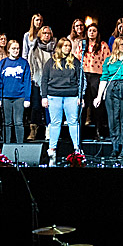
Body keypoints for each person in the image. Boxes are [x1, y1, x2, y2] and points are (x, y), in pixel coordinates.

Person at [94, 35, 123, 160]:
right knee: (113, 119)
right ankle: (115, 147)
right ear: (116, 46)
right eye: (122, 44)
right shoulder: (109, 60)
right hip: (112, 89)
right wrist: (99, 96)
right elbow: (104, 79)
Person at [41, 37, 85, 165]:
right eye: (65, 45)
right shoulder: (51, 62)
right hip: (54, 95)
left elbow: (81, 80)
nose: (67, 48)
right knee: (55, 123)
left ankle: (77, 148)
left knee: (73, 122)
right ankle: (52, 149)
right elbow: (44, 80)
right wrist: (44, 97)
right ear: (60, 47)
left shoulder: (75, 62)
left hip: (71, 96)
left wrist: (80, 96)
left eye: (69, 46)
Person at [0, 40, 31, 143]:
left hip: (19, 96)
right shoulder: (3, 62)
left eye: (18, 48)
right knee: (7, 122)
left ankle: (20, 145)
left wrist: (27, 98)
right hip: (5, 97)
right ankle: (7, 145)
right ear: (9, 49)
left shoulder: (24, 63)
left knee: (18, 122)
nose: (16, 50)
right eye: (13, 48)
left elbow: (27, 81)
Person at [81, 23, 110, 141]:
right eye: (90, 30)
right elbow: (78, 59)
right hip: (84, 75)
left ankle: (98, 131)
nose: (91, 32)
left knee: (97, 104)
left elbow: (107, 61)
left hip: (97, 76)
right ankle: (81, 131)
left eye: (94, 30)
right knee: (83, 104)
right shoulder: (83, 44)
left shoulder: (102, 45)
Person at [26, 25, 55, 141]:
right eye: (44, 33)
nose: (46, 35)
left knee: (50, 107)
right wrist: (33, 79)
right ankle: (33, 130)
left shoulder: (54, 49)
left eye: (48, 33)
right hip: (37, 82)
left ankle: (49, 130)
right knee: (36, 107)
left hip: (51, 82)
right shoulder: (34, 49)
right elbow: (30, 65)